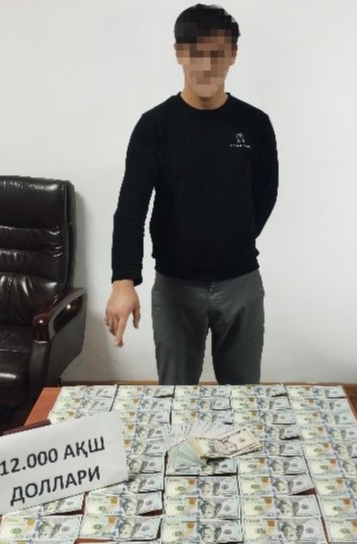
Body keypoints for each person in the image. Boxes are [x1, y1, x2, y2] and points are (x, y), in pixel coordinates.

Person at [105, 4, 279, 386]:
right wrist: (123, 282)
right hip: (175, 286)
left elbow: (265, 195)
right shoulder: (154, 126)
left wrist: (230, 240)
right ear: (179, 53)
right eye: (196, 53)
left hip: (241, 283)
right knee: (175, 397)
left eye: (217, 54)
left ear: (233, 55)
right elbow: (132, 207)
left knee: (243, 398)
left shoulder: (255, 125)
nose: (206, 66)